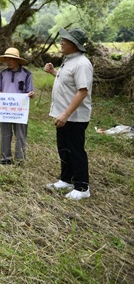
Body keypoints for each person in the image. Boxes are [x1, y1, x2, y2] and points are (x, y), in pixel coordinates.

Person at [44, 28, 93, 200]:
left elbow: (82, 91)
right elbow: (69, 83)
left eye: (64, 40)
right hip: (63, 115)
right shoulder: (69, 61)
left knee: (75, 150)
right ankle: (67, 179)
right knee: (64, 148)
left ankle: (82, 186)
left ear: (74, 44)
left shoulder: (82, 64)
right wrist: (53, 73)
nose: (61, 42)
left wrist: (66, 114)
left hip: (74, 116)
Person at [0, 47, 34, 165]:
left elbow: (30, 92)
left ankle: (20, 159)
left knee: (20, 134)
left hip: (20, 110)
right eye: (7, 59)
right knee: (5, 133)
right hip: (5, 109)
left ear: (17, 60)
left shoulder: (27, 74)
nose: (8, 61)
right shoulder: (3, 74)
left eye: (11, 59)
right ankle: (6, 158)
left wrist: (30, 95)